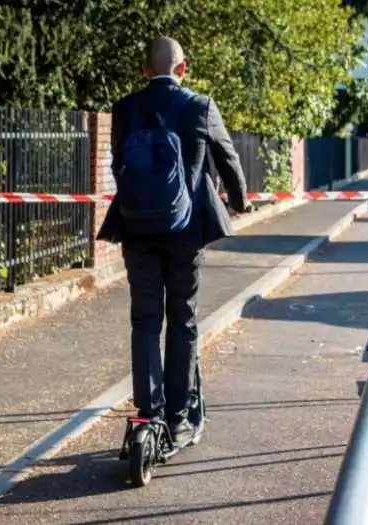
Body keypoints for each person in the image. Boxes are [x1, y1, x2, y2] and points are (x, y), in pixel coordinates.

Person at [97, 35, 252, 446]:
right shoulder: (199, 106)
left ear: (145, 70)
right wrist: (239, 201)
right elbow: (227, 157)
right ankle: (179, 416)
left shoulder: (126, 108)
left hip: (137, 228)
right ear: (182, 69)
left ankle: (149, 414)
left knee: (145, 320)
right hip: (186, 231)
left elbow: (119, 164)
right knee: (182, 319)